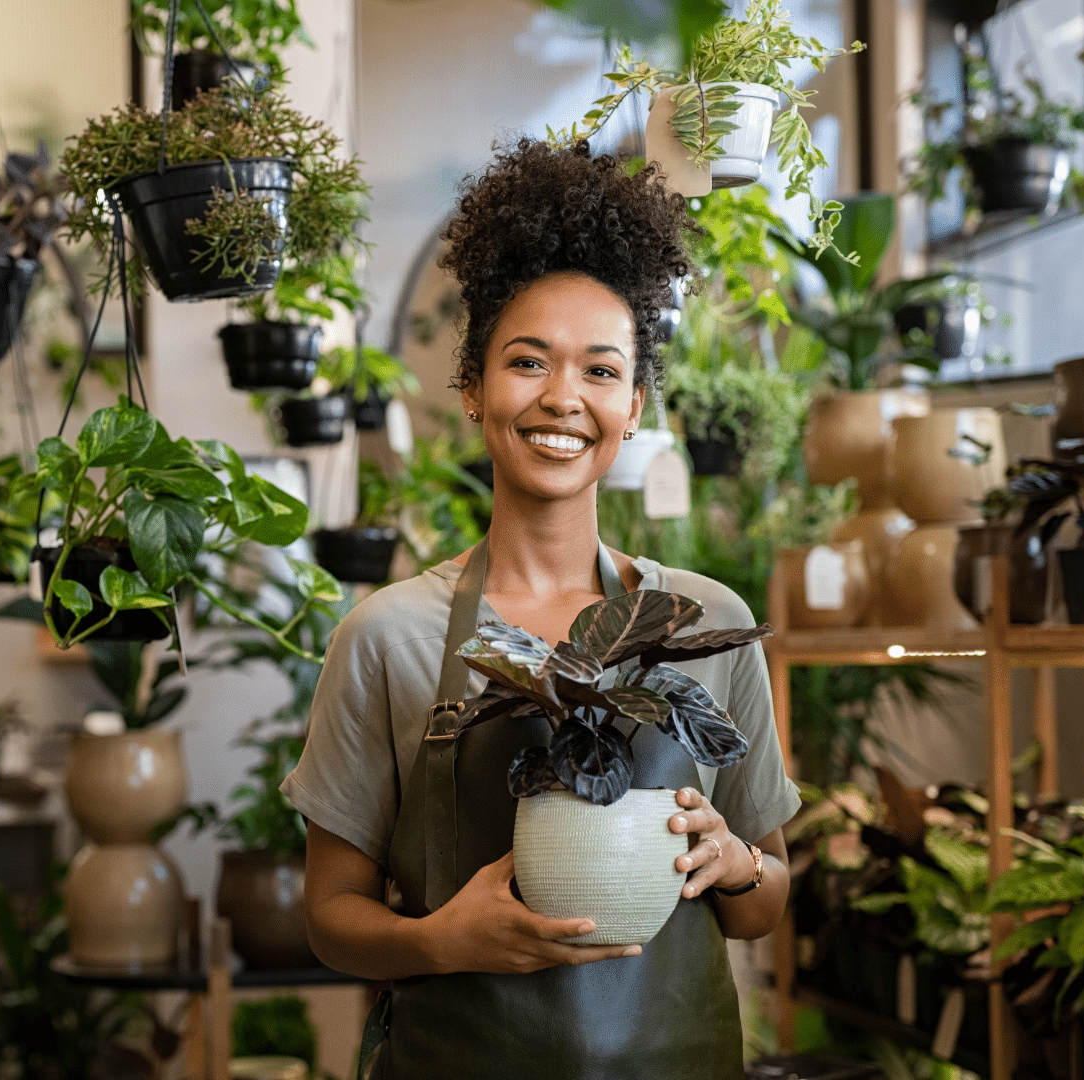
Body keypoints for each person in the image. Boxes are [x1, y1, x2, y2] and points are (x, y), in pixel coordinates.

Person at [280, 139, 799, 1079]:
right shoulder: (388, 637)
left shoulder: (703, 620)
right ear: (474, 390)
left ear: (635, 404)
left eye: (602, 371)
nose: (564, 397)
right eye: (528, 362)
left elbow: (764, 904)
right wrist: (446, 941)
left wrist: (737, 861)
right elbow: (329, 919)